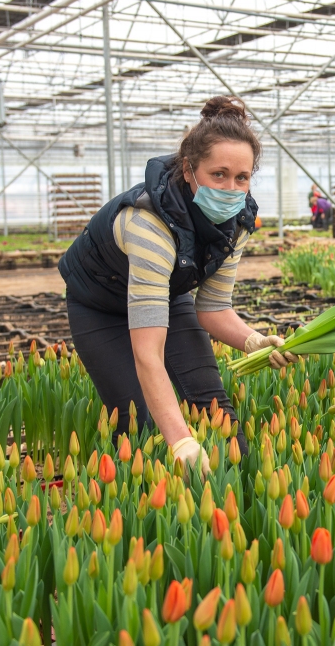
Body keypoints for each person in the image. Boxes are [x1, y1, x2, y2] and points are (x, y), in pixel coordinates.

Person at [59, 96, 298, 473]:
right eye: (218, 174)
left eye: (242, 177)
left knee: (215, 409)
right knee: (141, 423)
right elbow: (148, 354)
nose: (231, 188)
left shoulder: (236, 223)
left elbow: (214, 308)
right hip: (100, 306)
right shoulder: (148, 224)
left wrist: (253, 340)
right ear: (189, 170)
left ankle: (237, 504)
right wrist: (181, 440)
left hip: (166, 296)